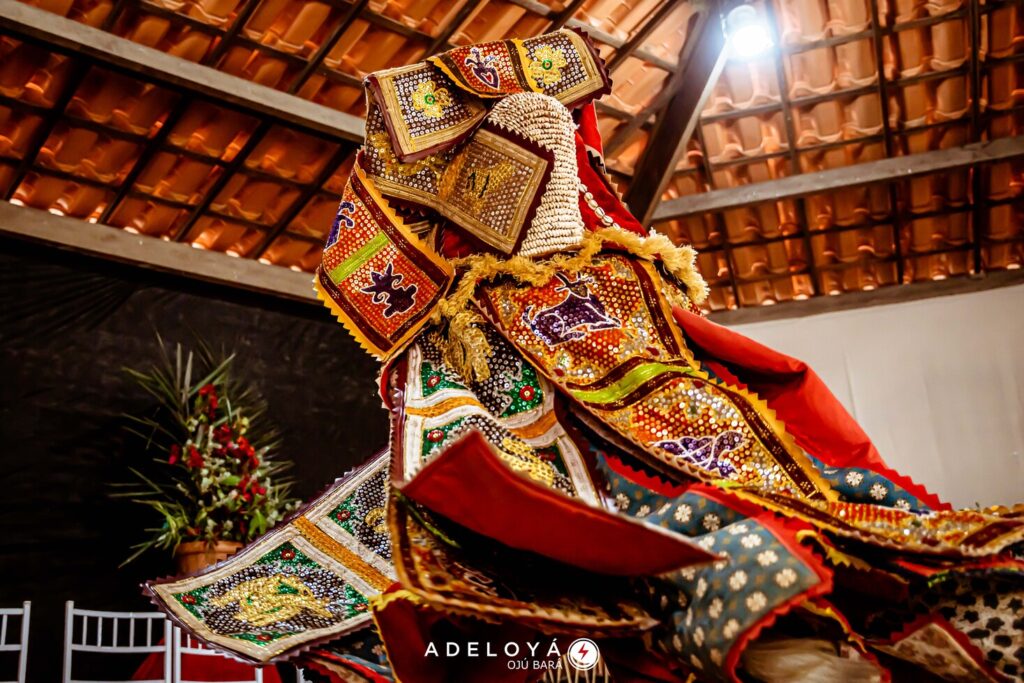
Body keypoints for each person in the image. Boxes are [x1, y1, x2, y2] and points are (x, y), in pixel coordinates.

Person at [147, 28, 1024, 683]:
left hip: (656, 467)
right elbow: (456, 407)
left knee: (769, 533)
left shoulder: (611, 275)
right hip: (566, 485)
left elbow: (710, 375)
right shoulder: (498, 296)